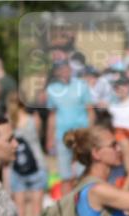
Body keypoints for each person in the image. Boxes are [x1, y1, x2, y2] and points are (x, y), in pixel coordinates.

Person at [46, 60, 93, 193]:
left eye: (66, 69)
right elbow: (52, 115)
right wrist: (50, 138)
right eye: (60, 70)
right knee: (65, 175)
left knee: (82, 171)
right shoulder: (52, 89)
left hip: (80, 134)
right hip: (61, 135)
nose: (64, 72)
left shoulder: (81, 86)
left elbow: (90, 110)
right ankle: (67, 207)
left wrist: (89, 132)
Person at [6, 94, 47, 216]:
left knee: (20, 212)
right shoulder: (34, 119)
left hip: (16, 167)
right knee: (37, 211)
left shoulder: (8, 123)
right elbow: (39, 139)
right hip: (37, 164)